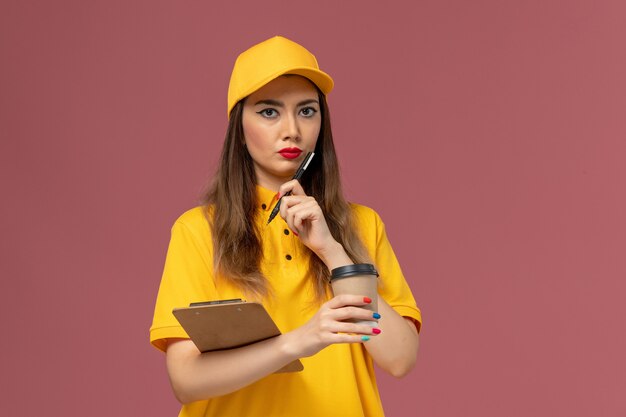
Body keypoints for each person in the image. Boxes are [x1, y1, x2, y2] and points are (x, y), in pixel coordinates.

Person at [150, 36, 422, 417]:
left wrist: (332, 250)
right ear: (238, 125)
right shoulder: (199, 231)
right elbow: (185, 380)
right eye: (268, 112)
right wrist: (297, 342)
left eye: (307, 111)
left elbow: (400, 358)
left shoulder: (363, 225)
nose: (292, 129)